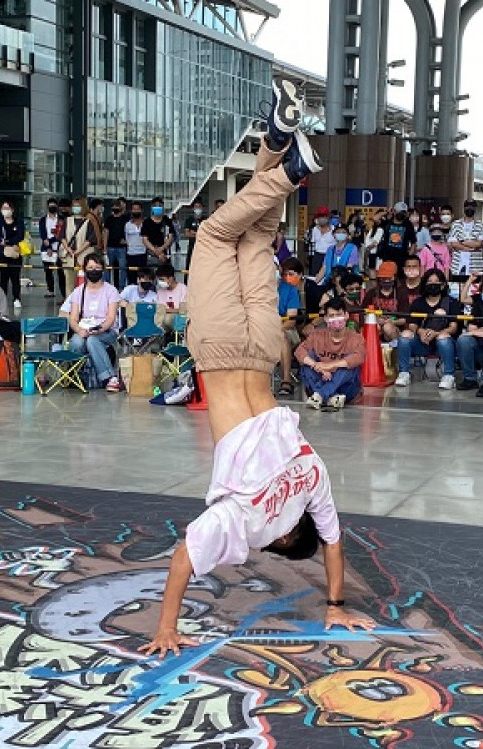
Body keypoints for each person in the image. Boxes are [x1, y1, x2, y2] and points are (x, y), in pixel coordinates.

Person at [140, 79, 373, 658]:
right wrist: (166, 628)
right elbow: (183, 558)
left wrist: (336, 603)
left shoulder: (312, 477)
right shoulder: (244, 522)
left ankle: (276, 139)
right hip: (221, 350)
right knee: (215, 232)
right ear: (283, 537)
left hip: (264, 352)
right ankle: (291, 169)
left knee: (258, 234)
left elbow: (335, 543)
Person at [63, 252, 123, 392]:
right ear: (84, 269)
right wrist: (79, 330)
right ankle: (78, 375)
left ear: (103, 269)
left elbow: (111, 318)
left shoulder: (111, 291)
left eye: (97, 267)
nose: (94, 271)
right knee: (76, 342)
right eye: (90, 268)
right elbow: (73, 319)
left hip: (106, 330)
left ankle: (110, 378)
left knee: (92, 340)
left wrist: (100, 329)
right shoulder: (78, 292)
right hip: (84, 329)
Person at [393, 269, 459, 389]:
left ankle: (449, 375)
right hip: (422, 342)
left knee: (443, 338)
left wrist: (436, 333)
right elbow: (412, 324)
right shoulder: (418, 302)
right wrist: (421, 331)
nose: (433, 285)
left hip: (442, 343)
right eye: (429, 282)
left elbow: (453, 328)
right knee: (405, 335)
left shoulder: (451, 302)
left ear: (443, 285)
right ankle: (404, 373)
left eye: (436, 282)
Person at [296, 297, 365, 410]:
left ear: (346, 315)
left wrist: (330, 365)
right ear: (325, 318)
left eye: (339, 315)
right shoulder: (316, 336)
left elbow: (359, 357)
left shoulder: (356, 338)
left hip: (346, 390)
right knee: (307, 363)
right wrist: (316, 365)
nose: (336, 319)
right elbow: (299, 351)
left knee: (349, 365)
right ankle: (331, 398)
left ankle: (321, 395)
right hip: (321, 379)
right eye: (331, 316)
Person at [277, 257, 304, 397]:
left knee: (281, 336)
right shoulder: (257, 289)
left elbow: (291, 321)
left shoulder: (290, 290)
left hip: (285, 329)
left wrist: (275, 330)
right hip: (262, 329)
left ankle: (286, 380)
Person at [0, 200, 25, 310]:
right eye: (3, 208)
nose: (5, 210)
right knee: (3, 278)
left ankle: (16, 298)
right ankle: (2, 299)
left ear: (12, 210)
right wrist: (4, 242)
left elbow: (20, 235)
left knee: (15, 277)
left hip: (15, 253)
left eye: (8, 208)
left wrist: (8, 242)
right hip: (2, 253)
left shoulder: (19, 222)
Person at [60, 197, 98, 292]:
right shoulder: (67, 220)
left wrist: (78, 251)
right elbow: (62, 237)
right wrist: (68, 249)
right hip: (69, 256)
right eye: (74, 206)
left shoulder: (88, 222)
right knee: (69, 282)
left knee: (84, 282)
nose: (75, 208)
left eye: (78, 206)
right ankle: (69, 300)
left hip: (83, 256)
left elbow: (90, 240)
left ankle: (84, 300)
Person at [362, 260, 402, 342]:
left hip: (394, 329)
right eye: (384, 278)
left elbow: (404, 319)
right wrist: (375, 320)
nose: (386, 281)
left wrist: (392, 322)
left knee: (388, 327)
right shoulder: (371, 293)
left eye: (389, 278)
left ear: (395, 277)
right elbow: (363, 313)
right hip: (375, 326)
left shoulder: (401, 293)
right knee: (375, 327)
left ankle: (396, 347)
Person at [448, 198, 483, 276]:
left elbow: (478, 244)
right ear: (464, 208)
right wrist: (469, 248)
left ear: (475, 208)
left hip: (475, 266)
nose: (470, 208)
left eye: (472, 207)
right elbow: (454, 243)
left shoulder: (480, 225)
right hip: (457, 265)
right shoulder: (456, 224)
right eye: (467, 206)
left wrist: (461, 242)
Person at [377, 202, 416, 272]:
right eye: (399, 212)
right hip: (388, 257)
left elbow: (413, 242)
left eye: (403, 212)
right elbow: (375, 218)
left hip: (402, 258)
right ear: (394, 211)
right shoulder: (388, 223)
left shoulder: (408, 225)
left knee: (401, 277)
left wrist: (409, 257)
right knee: (388, 275)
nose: (401, 214)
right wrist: (387, 212)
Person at [38, 198, 64, 298]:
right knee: (48, 271)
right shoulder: (43, 220)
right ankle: (50, 290)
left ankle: (63, 293)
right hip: (46, 249)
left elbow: (60, 233)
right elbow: (42, 234)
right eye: (50, 206)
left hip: (59, 248)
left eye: (54, 205)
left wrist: (51, 241)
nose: (52, 207)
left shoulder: (61, 219)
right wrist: (48, 246)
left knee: (61, 272)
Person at [101, 197, 129, 289]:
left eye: (117, 206)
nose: (115, 208)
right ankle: (107, 286)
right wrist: (104, 248)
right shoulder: (109, 219)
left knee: (123, 268)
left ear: (121, 207)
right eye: (113, 206)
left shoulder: (125, 219)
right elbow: (106, 233)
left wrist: (126, 241)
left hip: (122, 247)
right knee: (107, 268)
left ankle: (121, 286)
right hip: (110, 247)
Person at [142, 197, 174, 267]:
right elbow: (145, 240)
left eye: (160, 205)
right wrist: (156, 251)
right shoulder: (147, 222)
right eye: (155, 205)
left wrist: (161, 249)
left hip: (165, 253)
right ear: (152, 207)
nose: (158, 207)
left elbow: (170, 237)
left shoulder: (167, 221)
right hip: (151, 254)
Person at [124, 200, 147, 286]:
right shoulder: (127, 225)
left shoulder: (146, 223)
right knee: (131, 279)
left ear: (142, 210)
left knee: (143, 278)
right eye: (134, 209)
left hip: (143, 254)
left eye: (138, 209)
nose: (136, 211)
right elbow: (126, 239)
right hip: (131, 255)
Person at [307, 206, 335, 276]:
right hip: (317, 256)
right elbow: (312, 242)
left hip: (330, 255)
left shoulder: (334, 229)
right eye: (320, 216)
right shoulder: (315, 229)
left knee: (329, 275)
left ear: (328, 217)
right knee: (315, 275)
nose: (322, 218)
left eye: (324, 216)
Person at [183, 198, 204, 272]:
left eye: (199, 206)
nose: (198, 208)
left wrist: (194, 233)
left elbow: (206, 234)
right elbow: (187, 234)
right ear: (193, 208)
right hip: (192, 247)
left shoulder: (205, 220)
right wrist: (199, 233)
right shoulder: (189, 220)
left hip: (203, 248)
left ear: (202, 208)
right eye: (196, 206)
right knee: (189, 268)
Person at [361, 209, 385, 277]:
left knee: (373, 269)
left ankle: (374, 281)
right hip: (370, 251)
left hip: (374, 252)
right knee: (370, 268)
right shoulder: (373, 229)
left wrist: (368, 249)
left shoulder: (380, 229)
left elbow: (375, 243)